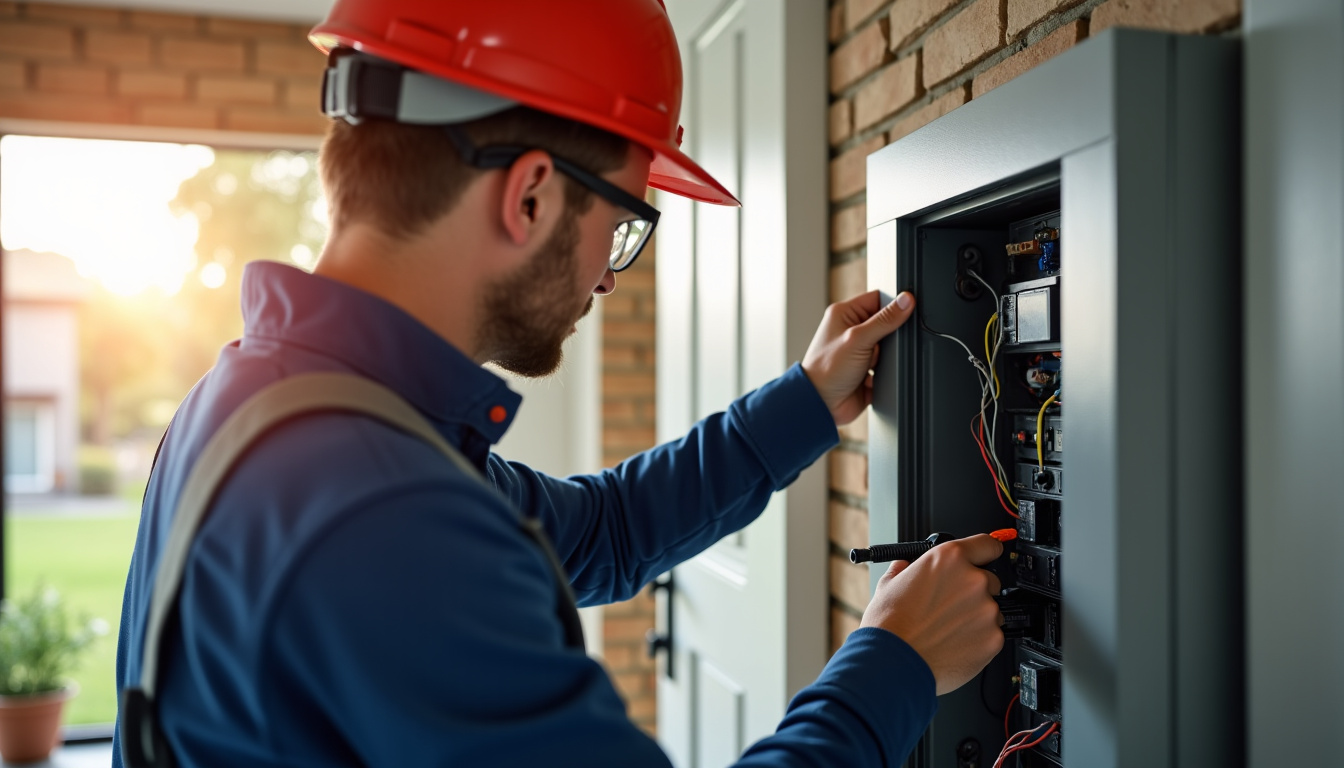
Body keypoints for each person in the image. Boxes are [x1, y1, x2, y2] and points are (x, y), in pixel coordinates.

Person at [113, 1, 1005, 765]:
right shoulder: (375, 503)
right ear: (531, 195)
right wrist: (896, 663)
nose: (609, 277)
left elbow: (605, 532)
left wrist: (805, 401)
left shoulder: (267, 403)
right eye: (620, 225)